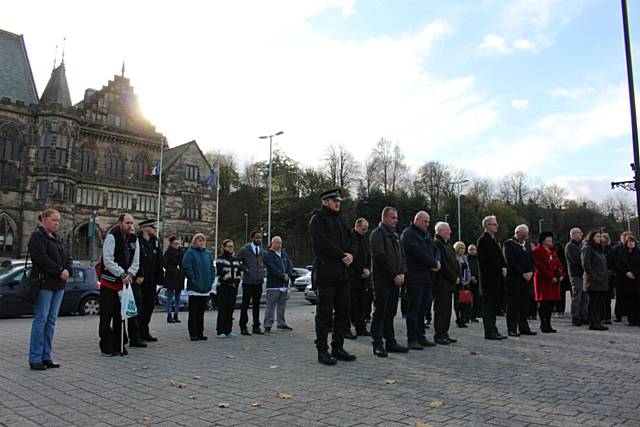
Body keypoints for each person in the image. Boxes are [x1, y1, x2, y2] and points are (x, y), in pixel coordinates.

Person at [309, 189, 356, 365]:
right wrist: (342, 255)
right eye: (335, 200)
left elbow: (351, 239)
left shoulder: (340, 219)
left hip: (342, 273)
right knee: (324, 314)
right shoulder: (318, 219)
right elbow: (321, 243)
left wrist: (350, 253)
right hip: (327, 272)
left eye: (339, 201)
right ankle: (322, 350)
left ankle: (338, 347)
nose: (338, 203)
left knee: (344, 311)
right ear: (326, 201)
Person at [27, 209, 72, 370]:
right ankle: (35, 358)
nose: (57, 223)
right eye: (54, 220)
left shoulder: (59, 238)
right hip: (44, 284)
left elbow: (68, 257)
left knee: (51, 321)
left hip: (58, 285)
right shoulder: (37, 236)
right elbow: (41, 259)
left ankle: (47, 356)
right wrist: (60, 270)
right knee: (41, 320)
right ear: (44, 219)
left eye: (58, 221)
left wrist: (68, 269)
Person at [370, 206, 409, 356]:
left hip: (396, 280)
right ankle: (378, 343)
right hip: (382, 281)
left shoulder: (395, 236)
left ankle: (390, 341)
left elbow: (403, 256)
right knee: (380, 311)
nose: (395, 221)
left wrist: (403, 273)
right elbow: (380, 258)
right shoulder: (377, 235)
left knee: (391, 312)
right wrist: (394, 275)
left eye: (396, 218)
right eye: (393, 218)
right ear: (384, 217)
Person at [99, 213, 140, 356]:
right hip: (109, 283)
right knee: (106, 316)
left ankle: (119, 344)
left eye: (132, 223)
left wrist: (130, 274)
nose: (130, 226)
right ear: (120, 223)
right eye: (128, 223)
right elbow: (108, 260)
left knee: (120, 317)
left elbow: (136, 260)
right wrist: (122, 274)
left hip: (124, 284)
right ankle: (106, 345)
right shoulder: (112, 237)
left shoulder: (134, 239)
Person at [401, 211, 440, 350]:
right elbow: (418, 253)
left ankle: (421, 336)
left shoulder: (426, 235)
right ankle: (412, 338)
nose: (428, 225)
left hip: (427, 277)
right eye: (425, 221)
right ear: (417, 220)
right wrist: (433, 263)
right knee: (414, 309)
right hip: (414, 277)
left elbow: (435, 249)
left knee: (424, 308)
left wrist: (437, 261)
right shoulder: (408, 235)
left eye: (429, 222)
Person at [477, 215, 508, 340]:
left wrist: (504, 266)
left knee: (494, 306)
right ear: (487, 226)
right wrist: (499, 268)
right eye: (494, 224)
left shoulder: (494, 240)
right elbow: (488, 260)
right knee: (488, 307)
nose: (496, 226)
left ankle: (494, 329)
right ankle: (489, 331)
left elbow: (500, 257)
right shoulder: (483, 240)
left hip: (496, 279)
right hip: (489, 279)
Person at [503, 225, 537, 337]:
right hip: (515, 279)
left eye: (526, 235)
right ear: (517, 233)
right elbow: (510, 261)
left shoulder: (527, 244)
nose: (525, 237)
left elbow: (532, 260)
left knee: (524, 304)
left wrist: (531, 272)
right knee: (513, 304)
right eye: (523, 235)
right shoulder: (508, 244)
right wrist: (522, 273)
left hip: (527, 279)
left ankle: (524, 327)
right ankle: (512, 328)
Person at [182, 234, 215, 341]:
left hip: (205, 287)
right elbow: (187, 266)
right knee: (194, 312)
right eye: (199, 240)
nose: (201, 242)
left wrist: (211, 280)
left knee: (201, 312)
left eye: (203, 240)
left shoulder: (208, 254)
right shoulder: (191, 253)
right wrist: (193, 279)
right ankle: (193, 333)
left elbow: (212, 269)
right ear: (194, 242)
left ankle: (200, 332)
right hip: (194, 288)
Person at [432, 222, 460, 345]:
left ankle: (445, 333)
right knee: (441, 310)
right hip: (441, 283)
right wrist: (454, 277)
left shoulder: (447, 244)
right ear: (441, 231)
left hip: (449, 283)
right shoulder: (437, 243)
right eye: (448, 230)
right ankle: (439, 334)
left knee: (447, 310)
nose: (450, 232)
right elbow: (443, 264)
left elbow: (454, 261)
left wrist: (457, 275)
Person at [135, 219, 163, 343]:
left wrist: (161, 276)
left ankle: (144, 331)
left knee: (149, 306)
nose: (155, 230)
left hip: (152, 280)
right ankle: (136, 334)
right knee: (139, 308)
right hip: (140, 280)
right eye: (153, 227)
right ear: (146, 228)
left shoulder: (155, 242)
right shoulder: (137, 241)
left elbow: (159, 260)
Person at [532, 232, 565, 333]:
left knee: (551, 303)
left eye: (551, 238)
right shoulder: (537, 251)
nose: (550, 240)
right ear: (543, 240)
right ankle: (543, 324)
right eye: (548, 238)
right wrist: (550, 277)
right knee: (544, 303)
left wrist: (562, 275)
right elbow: (539, 266)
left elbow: (559, 264)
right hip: (543, 280)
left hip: (554, 281)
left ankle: (549, 323)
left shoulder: (552, 251)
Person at [237, 230, 265, 336]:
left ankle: (256, 326)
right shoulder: (245, 249)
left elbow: (263, 261)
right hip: (248, 282)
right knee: (245, 305)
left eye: (260, 238)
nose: (259, 239)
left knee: (256, 305)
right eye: (257, 237)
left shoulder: (261, 250)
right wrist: (246, 269)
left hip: (258, 281)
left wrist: (262, 271)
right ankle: (243, 326)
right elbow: (238, 261)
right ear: (252, 238)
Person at [263, 236, 293, 333]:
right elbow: (271, 268)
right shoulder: (268, 255)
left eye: (280, 243)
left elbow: (289, 264)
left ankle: (281, 324)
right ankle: (268, 325)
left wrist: (288, 274)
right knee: (270, 306)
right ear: (272, 243)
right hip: (273, 285)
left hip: (284, 285)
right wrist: (281, 276)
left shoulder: (284, 254)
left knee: (282, 305)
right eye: (277, 243)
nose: (279, 245)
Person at [348, 218, 372, 338]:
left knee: (362, 304)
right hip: (353, 277)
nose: (365, 231)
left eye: (367, 229)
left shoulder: (364, 240)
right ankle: (347, 329)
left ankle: (361, 328)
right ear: (357, 226)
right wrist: (361, 270)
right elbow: (352, 257)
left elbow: (368, 256)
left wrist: (367, 270)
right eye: (363, 229)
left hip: (364, 277)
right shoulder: (351, 238)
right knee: (351, 304)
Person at [581, 230, 609, 331]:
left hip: (601, 279)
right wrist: (594, 276)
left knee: (598, 303)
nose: (600, 238)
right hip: (593, 281)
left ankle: (597, 321)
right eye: (597, 236)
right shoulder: (587, 248)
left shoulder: (599, 249)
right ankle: (593, 322)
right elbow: (586, 264)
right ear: (592, 237)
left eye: (600, 236)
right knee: (593, 302)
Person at [215, 239, 243, 338]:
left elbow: (239, 272)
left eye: (232, 246)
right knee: (222, 309)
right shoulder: (220, 258)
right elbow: (220, 272)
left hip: (233, 288)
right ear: (224, 247)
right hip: (223, 287)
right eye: (229, 246)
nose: (231, 248)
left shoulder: (235, 259)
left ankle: (228, 330)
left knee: (230, 309)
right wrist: (230, 281)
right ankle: (220, 330)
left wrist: (236, 281)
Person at [614, 233, 640, 326]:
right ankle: (631, 320)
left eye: (633, 242)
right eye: (629, 242)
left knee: (637, 301)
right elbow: (618, 265)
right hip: (625, 280)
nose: (631, 243)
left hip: (636, 280)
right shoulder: (622, 253)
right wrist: (626, 272)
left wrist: (634, 272)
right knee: (629, 301)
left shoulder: (638, 252)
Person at [565, 228, 588, 326]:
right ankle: (575, 317)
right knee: (577, 296)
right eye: (579, 233)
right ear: (573, 234)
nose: (581, 235)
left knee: (584, 296)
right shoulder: (570, 246)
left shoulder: (579, 245)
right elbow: (576, 260)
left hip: (582, 274)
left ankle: (583, 315)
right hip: (576, 274)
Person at [163, 236, 184, 324]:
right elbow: (165, 264)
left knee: (178, 297)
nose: (177, 245)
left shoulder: (181, 252)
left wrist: (182, 272)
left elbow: (183, 262)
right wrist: (172, 270)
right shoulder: (168, 253)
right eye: (175, 244)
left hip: (179, 276)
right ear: (171, 244)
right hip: (171, 276)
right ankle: (169, 315)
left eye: (178, 243)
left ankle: (176, 314)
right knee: (170, 297)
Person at [611, 232, 632, 323]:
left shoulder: (632, 249)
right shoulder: (617, 249)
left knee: (630, 296)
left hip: (631, 275)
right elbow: (615, 263)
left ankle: (628, 312)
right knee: (620, 296)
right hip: (620, 276)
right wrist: (624, 272)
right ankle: (618, 314)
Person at [453, 241, 471, 328]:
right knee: (458, 301)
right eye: (461, 248)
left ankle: (463, 318)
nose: (463, 250)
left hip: (465, 282)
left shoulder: (465, 258)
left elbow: (468, 269)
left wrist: (468, 279)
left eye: (464, 248)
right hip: (457, 283)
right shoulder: (454, 258)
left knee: (465, 301)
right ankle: (458, 318)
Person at [600, 233, 614, 324]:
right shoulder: (597, 249)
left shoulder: (610, 250)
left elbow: (613, 261)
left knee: (607, 298)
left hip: (608, 275)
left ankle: (607, 317)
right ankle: (601, 316)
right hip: (600, 275)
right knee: (600, 298)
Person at [466, 244, 480, 322]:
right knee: (467, 299)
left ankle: (473, 315)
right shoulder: (465, 258)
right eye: (470, 249)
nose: (472, 251)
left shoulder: (478, 259)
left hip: (476, 282)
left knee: (476, 299)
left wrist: (476, 277)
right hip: (468, 282)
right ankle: (467, 316)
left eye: (473, 249)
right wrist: (470, 277)